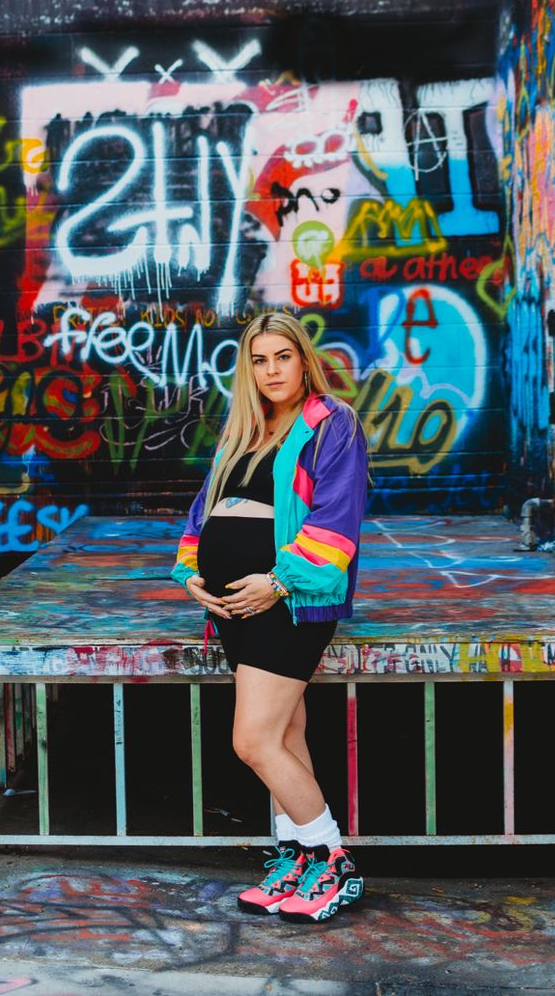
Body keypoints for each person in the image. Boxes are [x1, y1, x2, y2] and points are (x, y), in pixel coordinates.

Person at [171, 311, 368, 924]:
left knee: (252, 740)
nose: (271, 370)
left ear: (303, 360)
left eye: (283, 356)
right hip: (236, 606)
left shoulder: (332, 425)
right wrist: (192, 575)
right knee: (284, 737)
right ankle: (299, 859)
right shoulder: (244, 430)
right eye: (259, 360)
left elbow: (337, 521)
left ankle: (333, 862)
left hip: (291, 604)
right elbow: (203, 513)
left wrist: (280, 581)